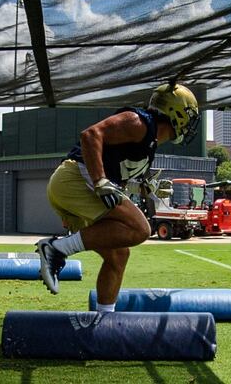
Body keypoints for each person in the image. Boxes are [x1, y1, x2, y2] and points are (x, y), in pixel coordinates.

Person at [36, 83, 199, 313]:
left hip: (77, 185)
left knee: (119, 255)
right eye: (189, 117)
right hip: (74, 180)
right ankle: (56, 249)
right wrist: (100, 180)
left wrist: (145, 188)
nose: (190, 125)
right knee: (140, 228)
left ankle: (104, 320)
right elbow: (91, 135)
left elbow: (117, 179)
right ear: (177, 111)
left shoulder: (149, 141)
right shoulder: (140, 123)